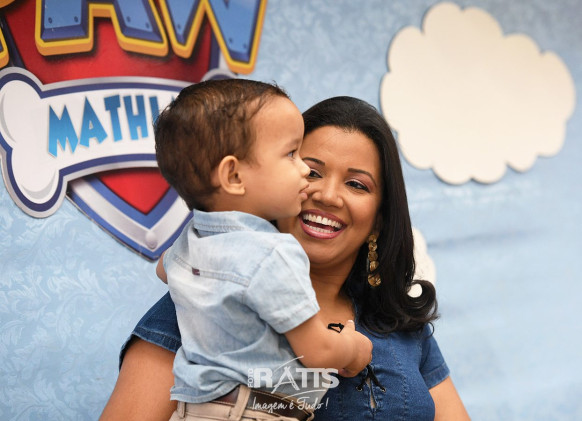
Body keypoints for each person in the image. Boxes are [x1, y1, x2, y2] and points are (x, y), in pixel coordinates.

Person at [100, 96, 470, 420]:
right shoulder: (202, 303)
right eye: (311, 171)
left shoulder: (400, 324)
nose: (327, 195)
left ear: (380, 217)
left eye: (356, 184)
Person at [150, 80, 373, 421]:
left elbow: (163, 268)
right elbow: (318, 352)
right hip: (256, 410)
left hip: (192, 411)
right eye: (291, 154)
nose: (303, 169)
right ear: (234, 175)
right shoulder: (273, 253)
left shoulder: (190, 241)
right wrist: (353, 348)